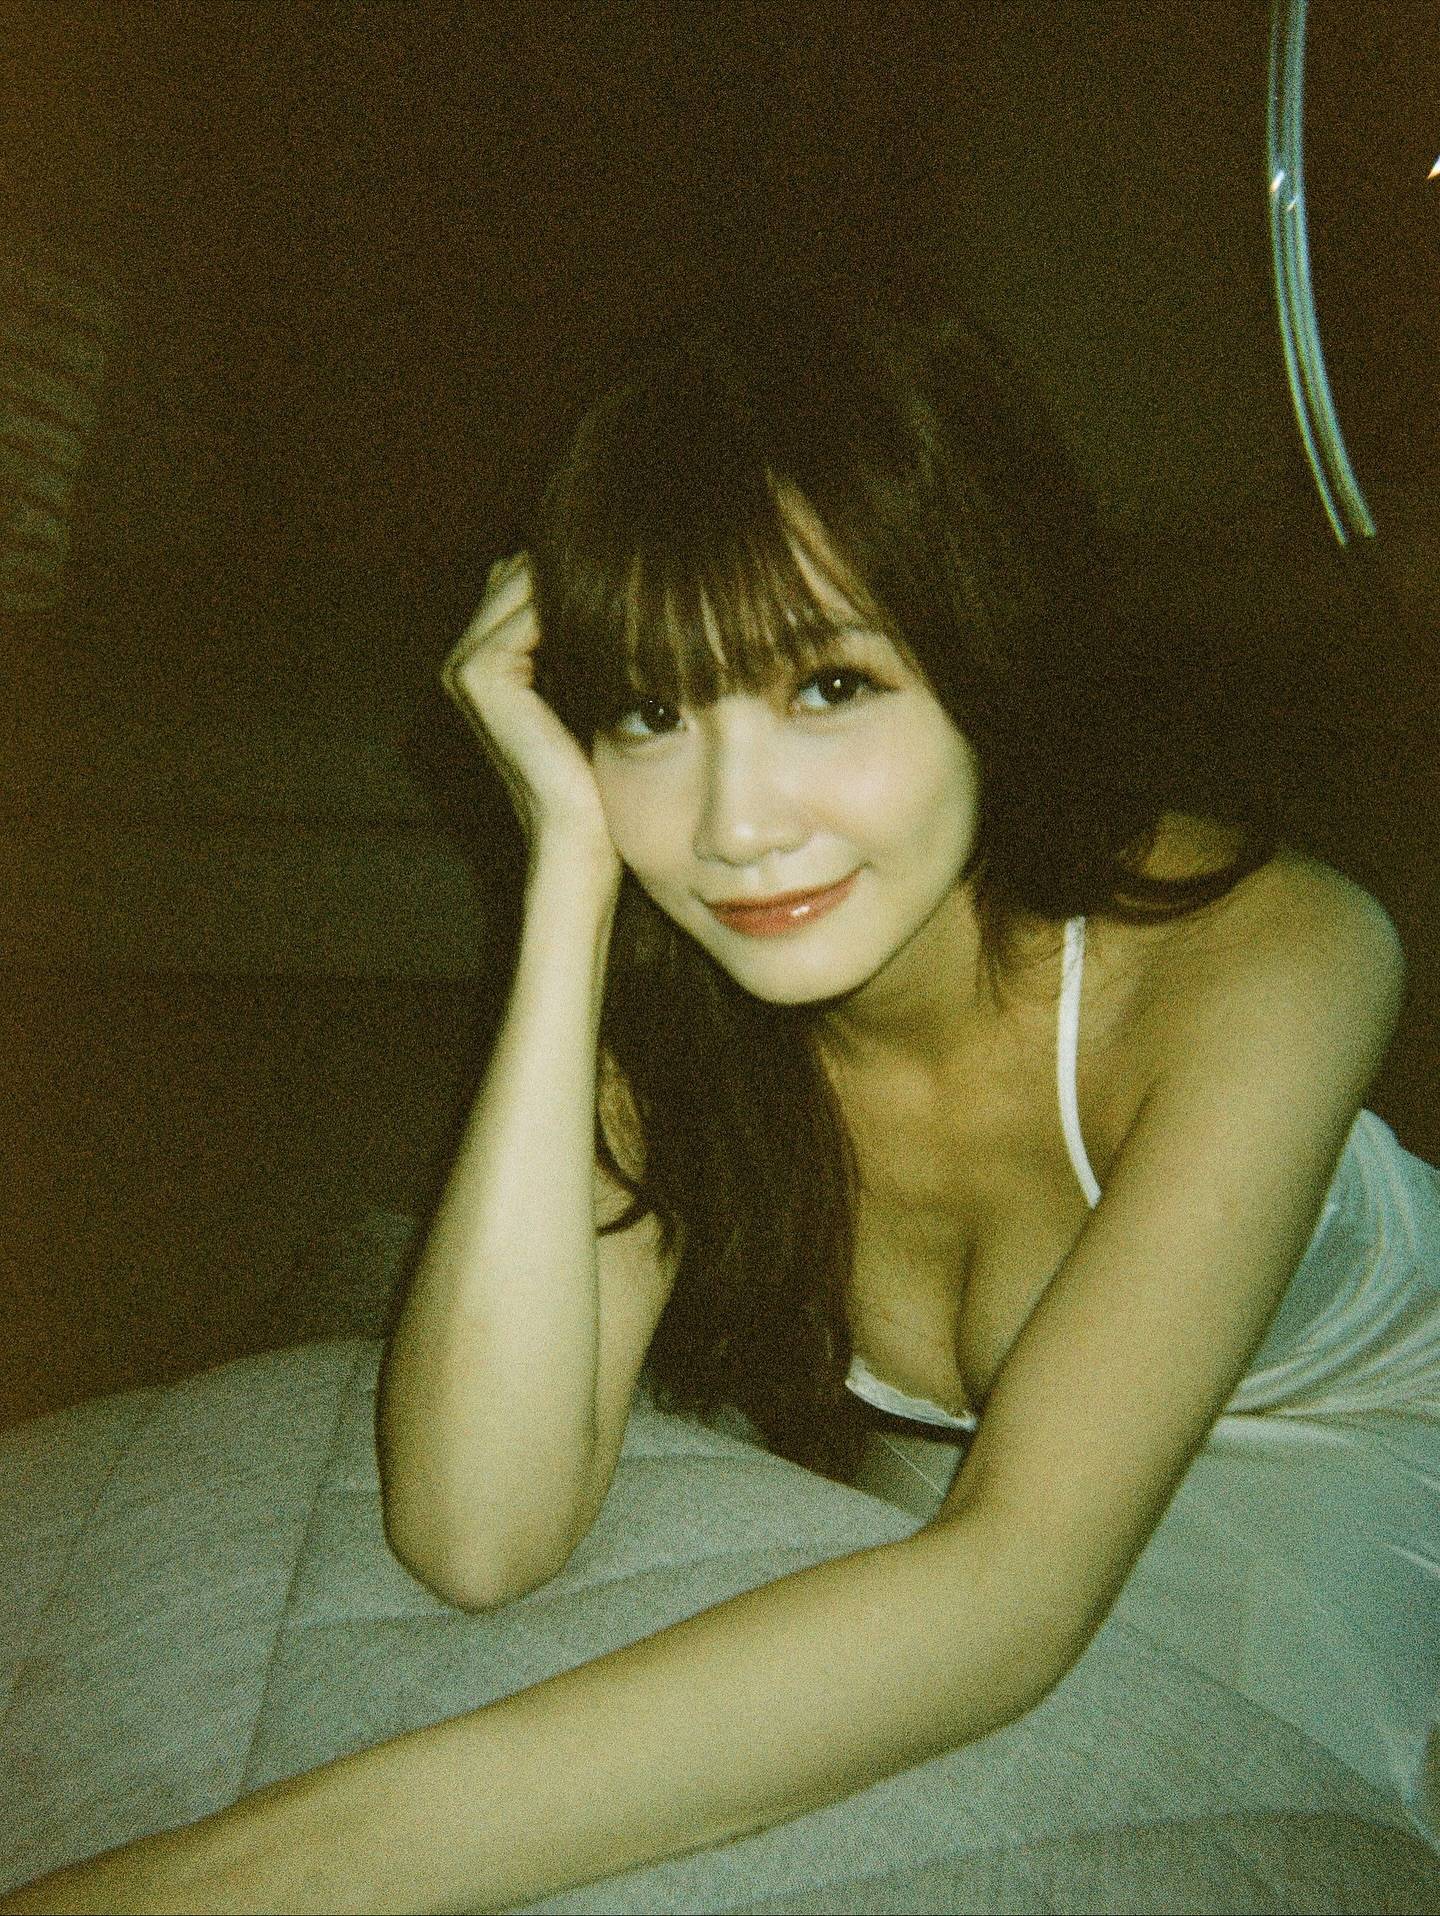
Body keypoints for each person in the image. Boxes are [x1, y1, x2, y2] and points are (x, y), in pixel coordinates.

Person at [7, 292, 1437, 1913]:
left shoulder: (1275, 958)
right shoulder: (688, 990)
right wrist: (566, 873)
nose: (734, 825)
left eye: (827, 687)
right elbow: (478, 1533)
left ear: (987, 657)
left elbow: (1005, 1600)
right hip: (979, 1536)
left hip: (1368, 1512)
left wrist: (202, 1890)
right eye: (649, 713)